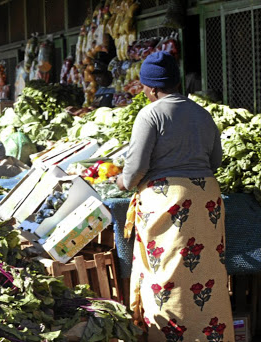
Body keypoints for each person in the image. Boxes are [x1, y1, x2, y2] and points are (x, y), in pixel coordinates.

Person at [116, 52, 233, 341]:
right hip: (206, 200)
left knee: (167, 275)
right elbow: (215, 160)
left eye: (144, 86)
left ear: (152, 87)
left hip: (168, 200)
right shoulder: (202, 114)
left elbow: (134, 172)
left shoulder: (151, 113)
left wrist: (121, 181)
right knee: (205, 271)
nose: (143, 91)